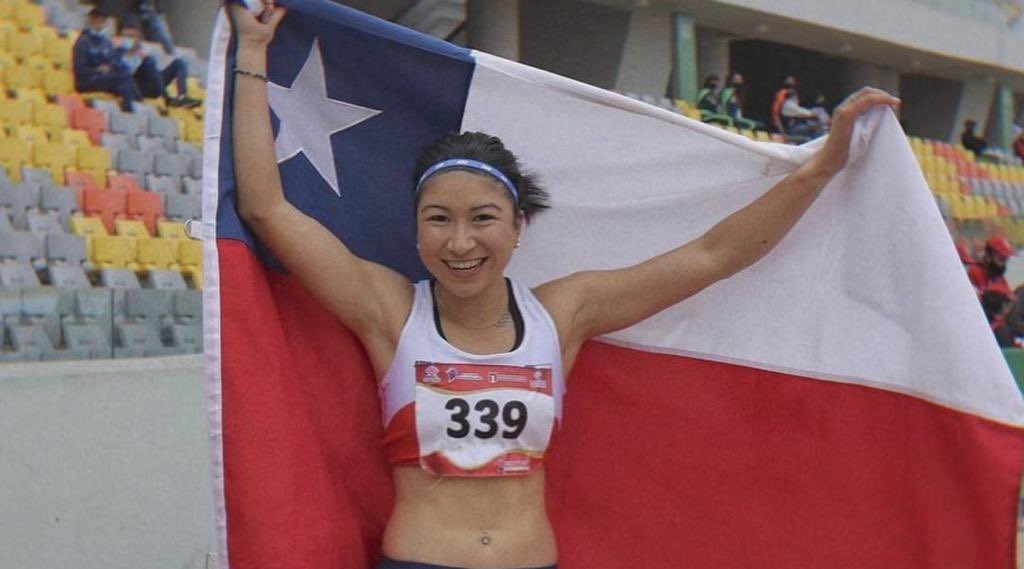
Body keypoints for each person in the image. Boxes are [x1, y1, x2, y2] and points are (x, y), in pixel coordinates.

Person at [229, 2, 900, 568]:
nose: (460, 242)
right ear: (416, 230)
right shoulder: (389, 309)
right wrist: (253, 57)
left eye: (482, 219)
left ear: (518, 227)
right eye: (439, 220)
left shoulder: (564, 312)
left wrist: (818, 170)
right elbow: (268, 209)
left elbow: (713, 254)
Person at [117, 14, 200, 108]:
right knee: (149, 61)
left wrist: (140, 54)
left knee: (178, 63)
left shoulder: (144, 49)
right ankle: (166, 98)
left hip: (153, 83)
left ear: (138, 37)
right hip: (136, 86)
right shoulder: (116, 53)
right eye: (126, 36)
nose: (129, 40)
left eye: (132, 36)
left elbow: (156, 69)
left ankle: (182, 97)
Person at [73, 8, 141, 111]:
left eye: (103, 21)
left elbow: (112, 61)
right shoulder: (83, 41)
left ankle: (139, 105)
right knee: (122, 78)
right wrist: (97, 70)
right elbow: (79, 69)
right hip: (88, 80)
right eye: (97, 20)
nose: (100, 24)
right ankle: (130, 111)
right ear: (91, 20)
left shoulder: (106, 42)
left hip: (104, 78)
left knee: (125, 73)